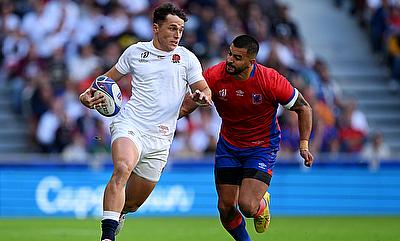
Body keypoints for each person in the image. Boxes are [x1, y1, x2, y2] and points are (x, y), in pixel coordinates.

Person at [79, 3, 212, 241]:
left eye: (180, 30)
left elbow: (203, 89)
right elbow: (103, 82)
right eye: (172, 28)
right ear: (155, 28)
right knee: (122, 168)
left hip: (161, 138)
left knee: (132, 204)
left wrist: (203, 96)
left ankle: (119, 214)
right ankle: (107, 236)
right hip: (131, 125)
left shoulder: (187, 59)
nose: (177, 34)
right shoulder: (135, 53)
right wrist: (86, 96)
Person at [180, 34, 313, 241]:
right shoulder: (215, 75)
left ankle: (261, 204)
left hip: (261, 147)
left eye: (237, 58)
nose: (230, 60)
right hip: (229, 146)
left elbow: (304, 108)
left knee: (248, 206)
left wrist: (303, 145)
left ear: (252, 62)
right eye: (230, 54)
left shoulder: (270, 80)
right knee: (225, 208)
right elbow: (188, 105)